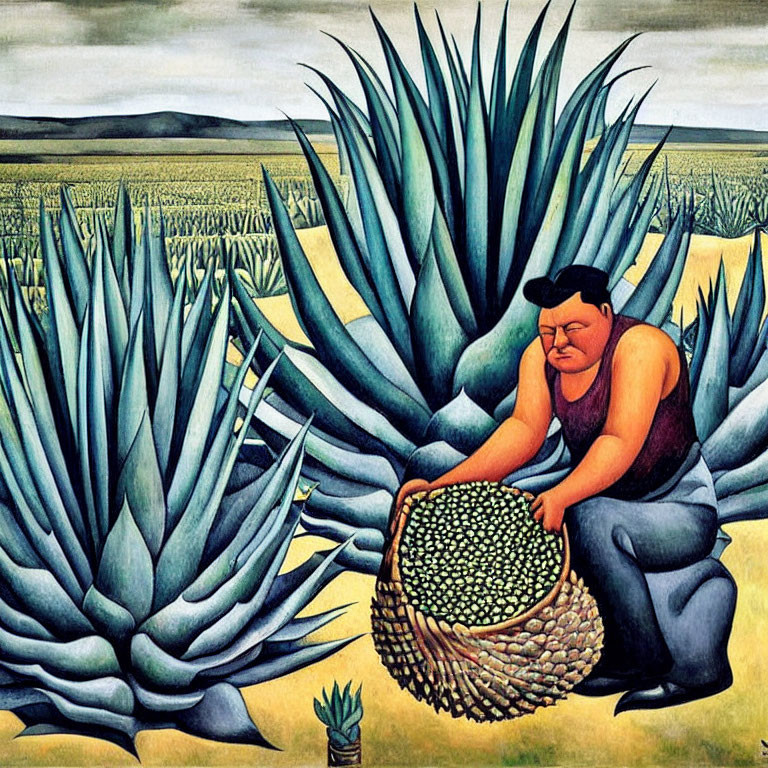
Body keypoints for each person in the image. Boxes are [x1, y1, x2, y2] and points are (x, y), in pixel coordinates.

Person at [394, 265, 736, 713]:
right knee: (568, 519)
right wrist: (440, 485)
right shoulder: (542, 358)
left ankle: (640, 657)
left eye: (574, 328)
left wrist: (562, 496)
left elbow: (618, 442)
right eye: (548, 330)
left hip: (677, 507)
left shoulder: (641, 349)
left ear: (607, 314)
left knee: (589, 517)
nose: (558, 343)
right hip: (608, 500)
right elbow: (523, 430)